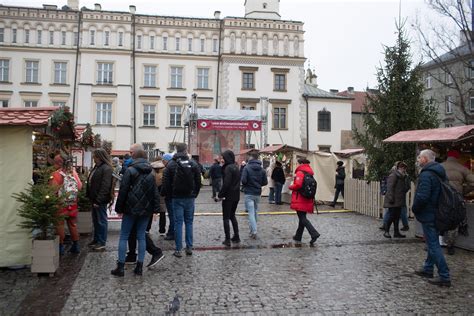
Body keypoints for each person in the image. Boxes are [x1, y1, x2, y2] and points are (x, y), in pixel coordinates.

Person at [111, 148, 162, 277]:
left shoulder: (130, 171)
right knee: (141, 236)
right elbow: (155, 192)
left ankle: (121, 267)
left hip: (130, 208)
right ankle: (139, 267)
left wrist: (119, 208)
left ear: (135, 157)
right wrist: (156, 209)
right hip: (146, 210)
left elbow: (123, 191)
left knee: (124, 236)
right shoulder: (151, 172)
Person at [412, 149, 451, 287]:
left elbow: (422, 196)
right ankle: (428, 268)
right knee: (431, 242)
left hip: (429, 213)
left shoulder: (427, 174)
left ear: (426, 159)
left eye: (420, 157)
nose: (418, 160)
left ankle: (444, 275)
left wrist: (414, 208)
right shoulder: (440, 172)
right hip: (438, 213)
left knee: (433, 245)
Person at [162, 143, 201, 257]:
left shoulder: (171, 164)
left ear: (176, 150)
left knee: (178, 223)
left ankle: (178, 249)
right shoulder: (193, 163)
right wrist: (195, 193)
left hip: (176, 198)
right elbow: (198, 181)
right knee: (189, 222)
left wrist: (170, 195)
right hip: (190, 197)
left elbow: (166, 182)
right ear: (186, 150)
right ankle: (189, 247)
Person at [441, 149, 474, 255]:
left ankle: (433, 244)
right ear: (457, 157)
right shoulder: (462, 168)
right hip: (456, 199)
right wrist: (463, 191)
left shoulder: (439, 166)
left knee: (438, 219)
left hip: (441, 198)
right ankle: (450, 245)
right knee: (453, 222)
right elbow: (473, 182)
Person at [50, 154, 83, 255]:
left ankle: (60, 248)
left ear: (59, 162)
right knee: (72, 224)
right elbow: (80, 186)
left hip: (60, 204)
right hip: (72, 203)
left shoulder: (55, 174)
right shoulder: (73, 172)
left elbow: (53, 190)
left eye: (55, 162)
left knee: (59, 225)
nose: (53, 164)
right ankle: (76, 246)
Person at [86, 148, 113, 251]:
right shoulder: (97, 167)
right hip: (94, 198)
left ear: (99, 157)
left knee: (101, 221)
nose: (93, 158)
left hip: (99, 200)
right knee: (96, 220)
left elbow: (105, 186)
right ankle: (96, 239)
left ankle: (102, 242)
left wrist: (99, 200)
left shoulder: (106, 168)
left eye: (95, 156)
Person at [289, 158, 320, 245]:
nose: (297, 165)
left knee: (302, 218)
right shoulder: (309, 173)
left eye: (297, 163)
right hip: (307, 198)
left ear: (301, 163)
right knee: (302, 218)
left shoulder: (300, 172)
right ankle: (298, 236)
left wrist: (291, 186)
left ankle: (314, 233)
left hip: (300, 198)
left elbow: (298, 185)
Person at [241, 152, 267, 239]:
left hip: (249, 193)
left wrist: (247, 184)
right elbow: (265, 182)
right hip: (257, 193)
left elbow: (243, 180)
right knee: (255, 211)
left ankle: (254, 231)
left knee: (251, 213)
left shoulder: (246, 168)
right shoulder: (262, 169)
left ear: (251, 158)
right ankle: (252, 230)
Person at [218, 150, 241, 246]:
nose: (222, 160)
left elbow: (226, 183)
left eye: (223, 158)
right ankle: (236, 236)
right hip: (236, 195)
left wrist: (220, 194)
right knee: (232, 216)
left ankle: (227, 239)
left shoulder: (228, 168)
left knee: (226, 217)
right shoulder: (236, 167)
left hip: (228, 196)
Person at [379, 162, 410, 231]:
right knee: (391, 214)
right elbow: (390, 188)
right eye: (403, 168)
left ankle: (397, 231)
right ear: (399, 168)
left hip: (399, 198)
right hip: (394, 199)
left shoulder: (404, 176)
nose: (404, 169)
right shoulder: (394, 175)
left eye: (405, 168)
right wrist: (391, 198)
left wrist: (402, 192)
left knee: (397, 215)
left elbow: (407, 186)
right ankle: (386, 229)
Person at [162, 153, 175, 240]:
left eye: (163, 160)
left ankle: (171, 233)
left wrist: (162, 193)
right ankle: (174, 232)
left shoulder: (168, 168)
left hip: (170, 196)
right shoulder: (176, 165)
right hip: (178, 194)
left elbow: (165, 183)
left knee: (172, 215)